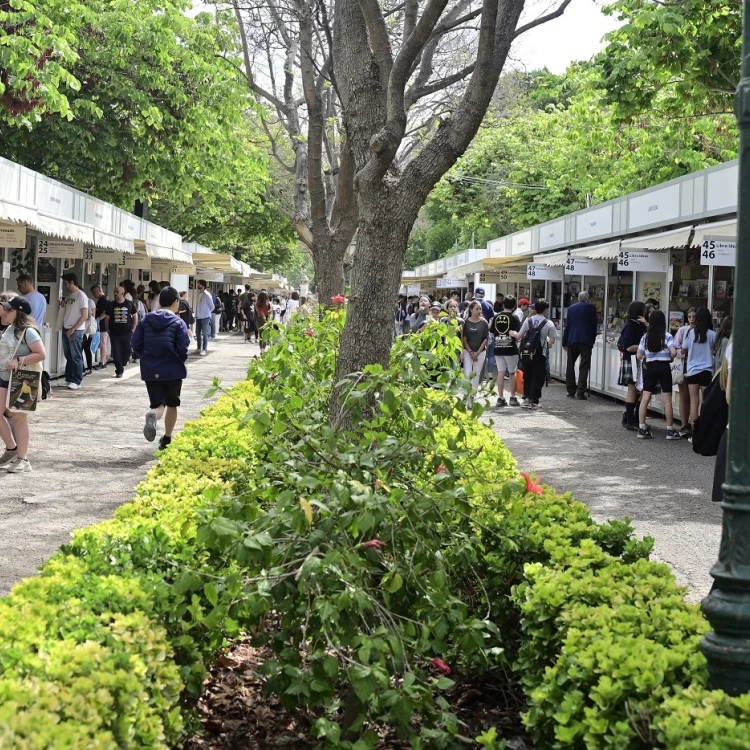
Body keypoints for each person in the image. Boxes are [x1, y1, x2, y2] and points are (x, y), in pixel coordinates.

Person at [132, 286, 189, 451]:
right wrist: (179, 359)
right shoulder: (178, 322)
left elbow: (135, 344)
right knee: (172, 404)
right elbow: (183, 346)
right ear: (176, 302)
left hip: (151, 369)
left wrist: (145, 356)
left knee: (158, 404)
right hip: (173, 369)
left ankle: (153, 415)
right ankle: (167, 438)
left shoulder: (146, 320)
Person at [0, 296, 46, 473]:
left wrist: (20, 359)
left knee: (19, 418)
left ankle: (23, 459)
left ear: (18, 312)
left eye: (10, 310)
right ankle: (12, 449)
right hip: (5, 377)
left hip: (21, 378)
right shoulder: (10, 329)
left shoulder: (28, 332)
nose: (5, 312)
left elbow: (41, 354)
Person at [636, 310, 679, 440]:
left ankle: (642, 428)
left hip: (650, 367)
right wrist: (668, 356)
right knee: (667, 399)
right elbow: (674, 352)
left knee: (645, 398)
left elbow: (639, 355)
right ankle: (670, 430)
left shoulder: (645, 337)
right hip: (664, 367)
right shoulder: (667, 336)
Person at [681, 306, 716, 432]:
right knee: (705, 401)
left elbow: (683, 350)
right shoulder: (712, 334)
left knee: (694, 401)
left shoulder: (690, 333)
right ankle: (704, 431)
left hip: (692, 371)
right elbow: (716, 350)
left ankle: (694, 432)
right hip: (707, 370)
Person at [518, 299, 556, 410]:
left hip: (526, 353)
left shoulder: (528, 320)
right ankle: (534, 401)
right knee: (538, 377)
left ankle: (526, 398)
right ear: (545, 310)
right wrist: (547, 340)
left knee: (527, 375)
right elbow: (551, 341)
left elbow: (520, 335)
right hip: (540, 354)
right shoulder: (548, 323)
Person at [617, 301, 647, 431]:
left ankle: (632, 417)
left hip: (636, 360)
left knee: (639, 390)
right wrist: (644, 347)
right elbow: (628, 346)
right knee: (633, 390)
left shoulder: (638, 325)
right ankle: (630, 420)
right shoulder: (631, 326)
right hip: (632, 360)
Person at [563, 291, 598, 400]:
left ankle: (570, 391)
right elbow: (594, 325)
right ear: (587, 298)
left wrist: (564, 342)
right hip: (586, 340)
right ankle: (580, 392)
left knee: (570, 365)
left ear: (578, 298)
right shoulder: (591, 308)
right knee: (584, 366)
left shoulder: (571, 309)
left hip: (572, 339)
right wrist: (593, 339)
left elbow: (567, 326)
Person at [60, 273, 88, 390]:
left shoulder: (81, 295)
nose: (65, 286)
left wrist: (73, 329)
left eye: (66, 283)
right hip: (66, 327)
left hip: (75, 330)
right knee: (68, 355)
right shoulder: (71, 295)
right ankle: (70, 378)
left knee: (76, 355)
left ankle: (77, 380)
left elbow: (84, 315)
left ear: (72, 282)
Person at [491, 296, 521, 407]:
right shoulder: (514, 317)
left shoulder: (496, 317)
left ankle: (501, 397)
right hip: (511, 348)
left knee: (500, 372)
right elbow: (518, 333)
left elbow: (492, 332)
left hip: (498, 347)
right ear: (514, 306)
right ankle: (512, 397)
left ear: (503, 304)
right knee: (512, 372)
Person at [673, 308, 696, 438]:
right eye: (690, 317)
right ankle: (684, 424)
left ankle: (694, 425)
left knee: (694, 398)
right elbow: (676, 347)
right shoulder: (683, 330)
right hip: (684, 364)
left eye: (694, 316)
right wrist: (684, 353)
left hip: (695, 366)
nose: (692, 319)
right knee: (684, 395)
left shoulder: (703, 331)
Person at [105, 286, 137, 378]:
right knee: (116, 352)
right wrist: (107, 329)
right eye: (114, 291)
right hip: (114, 333)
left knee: (128, 350)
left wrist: (133, 329)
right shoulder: (111, 305)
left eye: (117, 292)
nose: (115, 293)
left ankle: (123, 362)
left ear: (122, 294)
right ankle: (119, 370)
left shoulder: (129, 304)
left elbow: (135, 316)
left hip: (127, 332)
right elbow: (107, 318)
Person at [461, 301, 489, 393]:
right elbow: (464, 339)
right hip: (467, 351)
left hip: (480, 352)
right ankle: (466, 395)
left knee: (476, 376)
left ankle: (472, 397)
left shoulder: (484, 322)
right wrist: (470, 352)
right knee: (467, 375)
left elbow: (485, 339)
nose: (479, 310)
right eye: (477, 308)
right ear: (471, 309)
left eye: (480, 308)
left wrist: (477, 353)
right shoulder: (466, 322)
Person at [91, 284, 110, 370]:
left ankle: (102, 362)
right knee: (102, 343)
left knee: (103, 344)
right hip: (101, 325)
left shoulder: (104, 300)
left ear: (99, 290)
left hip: (103, 326)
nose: (94, 295)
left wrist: (97, 319)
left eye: (94, 292)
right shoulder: (101, 300)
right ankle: (102, 360)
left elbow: (106, 312)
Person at [194, 279, 214, 356]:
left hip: (205, 316)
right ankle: (199, 347)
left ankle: (204, 349)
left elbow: (212, 307)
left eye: (199, 284)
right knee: (197, 332)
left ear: (203, 285)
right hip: (198, 316)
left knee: (204, 333)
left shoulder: (207, 295)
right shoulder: (198, 294)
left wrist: (206, 312)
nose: (198, 286)